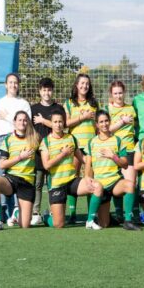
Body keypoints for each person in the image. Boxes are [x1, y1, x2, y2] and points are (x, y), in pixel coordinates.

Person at [84, 110, 142, 231]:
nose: (104, 124)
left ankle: (128, 221)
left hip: (115, 183)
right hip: (100, 186)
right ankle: (108, 217)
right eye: (101, 122)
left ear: (109, 122)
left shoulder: (117, 140)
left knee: (130, 185)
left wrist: (113, 157)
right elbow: (88, 165)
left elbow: (125, 164)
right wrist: (88, 180)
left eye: (106, 121)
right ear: (97, 125)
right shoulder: (91, 142)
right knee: (104, 224)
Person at [39, 110, 95, 228]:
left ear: (64, 122)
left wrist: (94, 161)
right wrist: (63, 154)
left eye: (60, 121)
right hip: (56, 184)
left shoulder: (71, 138)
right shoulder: (45, 142)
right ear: (51, 123)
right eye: (55, 122)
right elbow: (46, 165)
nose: (58, 124)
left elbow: (82, 158)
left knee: (96, 187)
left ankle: (92, 219)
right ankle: (46, 217)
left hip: (71, 181)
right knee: (59, 224)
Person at [0, 73, 31, 225]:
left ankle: (16, 212)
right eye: (10, 83)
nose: (13, 85)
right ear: (6, 85)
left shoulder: (24, 104)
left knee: (15, 176)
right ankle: (3, 215)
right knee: (2, 177)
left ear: (19, 85)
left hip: (17, 140)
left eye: (16, 83)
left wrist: (8, 117)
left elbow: (26, 124)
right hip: (0, 140)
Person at [0, 111, 38, 231]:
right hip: (12, 179)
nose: (22, 122)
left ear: (28, 122)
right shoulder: (8, 140)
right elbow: (2, 164)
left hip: (28, 182)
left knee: (25, 225)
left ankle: (17, 213)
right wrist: (20, 157)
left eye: (25, 120)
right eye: (20, 120)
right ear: (15, 122)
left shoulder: (35, 138)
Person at [63, 73, 98, 223]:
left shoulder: (94, 103)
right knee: (74, 178)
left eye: (87, 84)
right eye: (82, 83)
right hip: (75, 146)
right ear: (76, 85)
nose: (84, 86)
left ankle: (92, 213)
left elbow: (98, 124)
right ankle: (72, 213)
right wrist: (82, 117)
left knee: (90, 178)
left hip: (90, 147)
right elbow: (66, 123)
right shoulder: (69, 102)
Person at [29, 77, 64, 226]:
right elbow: (29, 129)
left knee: (53, 183)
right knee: (37, 183)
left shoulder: (58, 108)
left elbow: (62, 126)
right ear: (39, 91)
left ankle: (52, 210)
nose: (47, 93)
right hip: (38, 153)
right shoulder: (33, 109)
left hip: (54, 153)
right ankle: (35, 212)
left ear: (52, 91)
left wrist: (44, 121)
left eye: (49, 90)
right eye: (44, 90)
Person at [107, 80, 138, 222]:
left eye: (120, 93)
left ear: (124, 93)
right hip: (115, 150)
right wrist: (122, 122)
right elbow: (107, 129)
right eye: (115, 93)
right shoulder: (109, 109)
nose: (118, 96)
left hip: (130, 149)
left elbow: (135, 128)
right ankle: (119, 212)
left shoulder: (131, 109)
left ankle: (131, 214)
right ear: (111, 95)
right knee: (116, 181)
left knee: (131, 182)